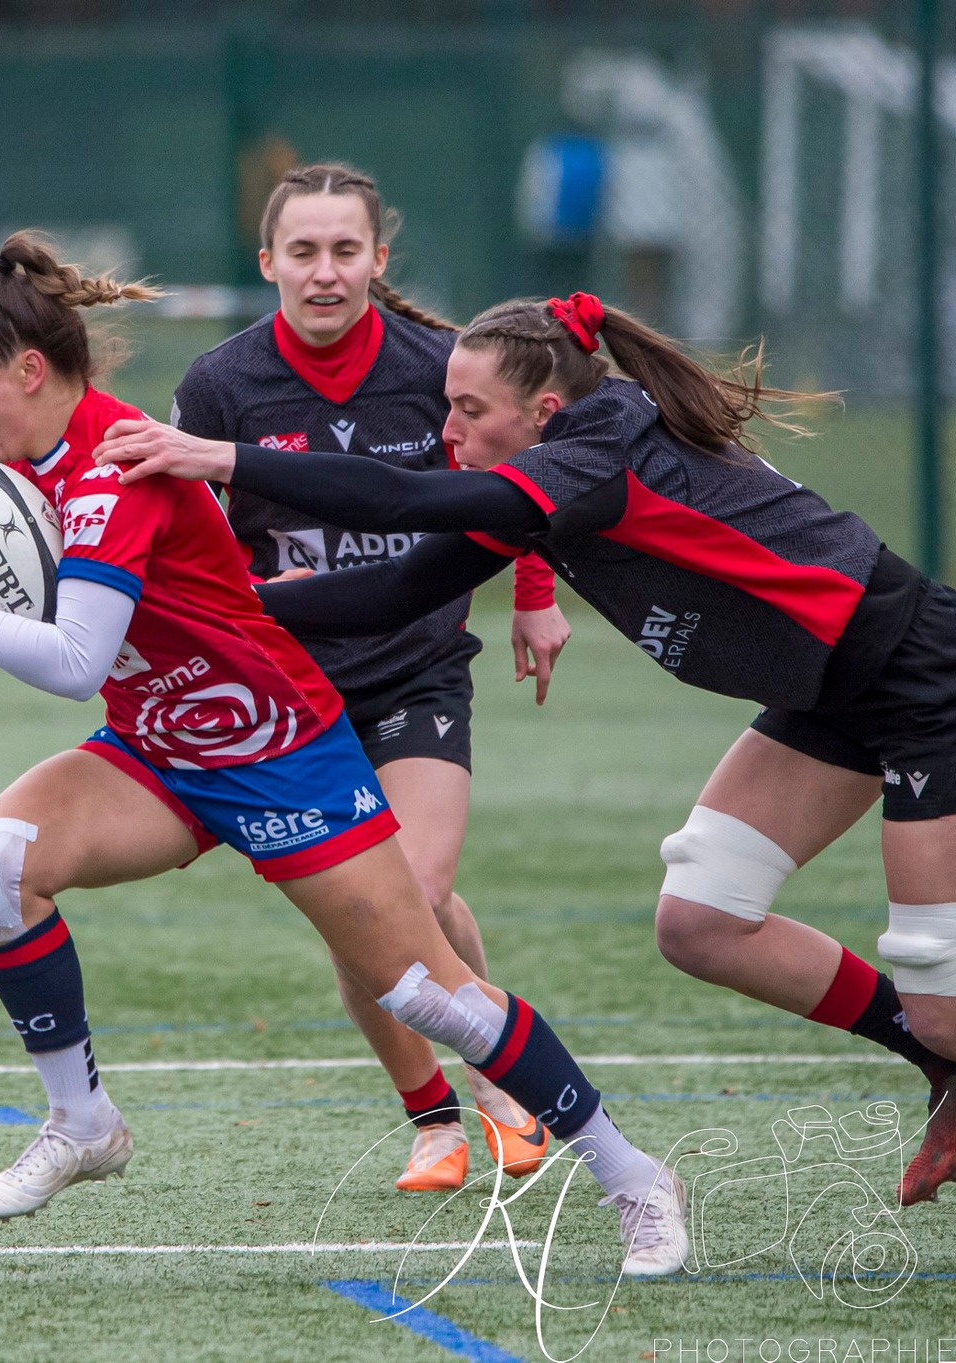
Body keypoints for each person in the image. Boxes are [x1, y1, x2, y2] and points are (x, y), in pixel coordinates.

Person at [0, 235, 689, 1277]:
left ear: (29, 372)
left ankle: (630, 1174)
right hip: (156, 748)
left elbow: (70, 659)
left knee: (430, 992)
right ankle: (81, 1122)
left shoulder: (110, 470)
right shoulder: (27, 468)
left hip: (276, 747)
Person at [90, 291, 956, 1207]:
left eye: (468, 409)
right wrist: (198, 605)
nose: (447, 425)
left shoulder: (593, 456)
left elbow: (402, 496)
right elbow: (393, 592)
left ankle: (939, 1045)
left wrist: (216, 454)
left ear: (543, 413)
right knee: (700, 920)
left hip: (918, 678)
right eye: (446, 404)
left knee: (941, 1000)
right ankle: (941, 1069)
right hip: (825, 694)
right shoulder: (548, 488)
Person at [171, 163, 573, 1193]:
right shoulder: (219, 386)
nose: (322, 271)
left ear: (377, 261)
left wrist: (533, 588)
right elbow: (197, 544)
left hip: (415, 672)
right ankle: (433, 1113)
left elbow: (521, 475)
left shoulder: (441, 364)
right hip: (292, 692)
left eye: (343, 250)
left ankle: (499, 1081)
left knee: (410, 891)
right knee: (366, 911)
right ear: (265, 262)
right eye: (300, 251)